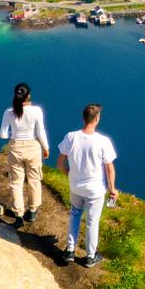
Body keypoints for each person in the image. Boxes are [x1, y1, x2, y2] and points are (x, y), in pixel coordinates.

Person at [56, 102, 118, 267]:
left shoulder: (71, 137)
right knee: (92, 221)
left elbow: (60, 162)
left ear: (84, 118)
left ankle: (70, 250)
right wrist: (112, 189)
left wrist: (69, 175)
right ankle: (90, 256)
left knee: (75, 214)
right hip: (94, 191)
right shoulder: (103, 141)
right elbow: (109, 168)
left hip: (75, 186)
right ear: (96, 118)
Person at [0, 82, 49, 225]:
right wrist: (46, 148)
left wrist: (14, 135)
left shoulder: (8, 112)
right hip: (33, 147)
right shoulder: (37, 110)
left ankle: (19, 215)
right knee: (34, 180)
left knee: (16, 182)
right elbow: (40, 132)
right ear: (29, 95)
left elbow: (2, 134)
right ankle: (32, 211)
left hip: (15, 147)